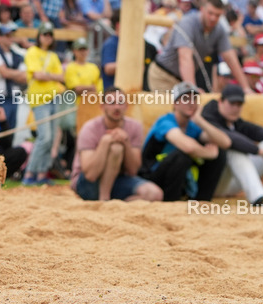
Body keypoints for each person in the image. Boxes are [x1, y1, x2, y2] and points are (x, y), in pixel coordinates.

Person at [139, 83, 231, 202]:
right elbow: (188, 147)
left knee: (220, 153)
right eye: (185, 99)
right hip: (151, 177)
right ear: (175, 103)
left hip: (177, 177)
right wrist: (209, 154)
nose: (191, 103)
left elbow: (226, 142)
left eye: (194, 99)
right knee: (182, 156)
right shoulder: (165, 121)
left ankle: (202, 201)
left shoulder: (192, 126)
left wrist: (200, 120)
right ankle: (171, 202)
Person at [71, 88, 162, 201]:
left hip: (117, 180)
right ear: (102, 106)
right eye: (111, 103)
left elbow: (133, 171)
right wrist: (105, 142)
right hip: (87, 183)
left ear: (126, 106)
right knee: (116, 148)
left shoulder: (135, 127)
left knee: (155, 194)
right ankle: (105, 199)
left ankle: (114, 205)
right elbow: (90, 175)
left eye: (120, 102)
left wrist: (126, 142)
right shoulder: (90, 128)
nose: (117, 107)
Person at [150, 0, 250, 94]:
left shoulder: (219, 30)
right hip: (162, 75)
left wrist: (246, 88)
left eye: (217, 15)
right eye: (210, 13)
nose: (213, 18)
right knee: (170, 108)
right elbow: (185, 58)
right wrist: (192, 89)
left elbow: (231, 58)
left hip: (181, 78)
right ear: (202, 10)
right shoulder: (188, 23)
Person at [204, 84, 263, 206]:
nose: (235, 108)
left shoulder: (236, 122)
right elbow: (231, 140)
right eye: (232, 103)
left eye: (239, 104)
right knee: (234, 150)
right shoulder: (208, 118)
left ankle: (259, 198)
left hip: (231, 183)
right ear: (221, 102)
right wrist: (261, 152)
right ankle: (258, 199)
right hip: (212, 185)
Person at [22, 21, 64, 186]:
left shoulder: (53, 56)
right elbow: (38, 76)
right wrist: (51, 76)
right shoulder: (32, 51)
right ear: (39, 36)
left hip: (54, 97)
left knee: (51, 138)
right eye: (44, 34)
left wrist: (47, 75)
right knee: (44, 137)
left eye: (49, 35)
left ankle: (41, 174)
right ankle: (30, 173)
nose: (47, 37)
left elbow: (61, 77)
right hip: (40, 99)